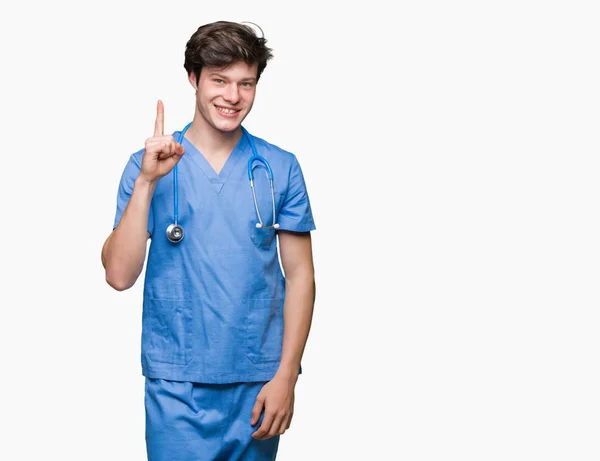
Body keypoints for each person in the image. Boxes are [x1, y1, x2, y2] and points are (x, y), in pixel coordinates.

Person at [101, 21, 316, 461]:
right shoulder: (146, 167)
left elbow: (301, 277)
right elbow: (119, 275)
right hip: (177, 384)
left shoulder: (279, 167)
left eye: (246, 83)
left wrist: (286, 377)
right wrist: (146, 182)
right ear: (193, 78)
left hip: (258, 383)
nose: (233, 97)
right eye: (219, 80)